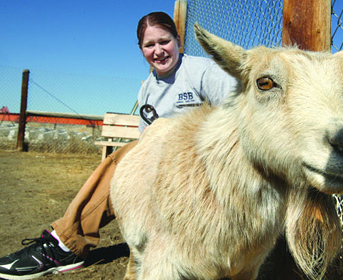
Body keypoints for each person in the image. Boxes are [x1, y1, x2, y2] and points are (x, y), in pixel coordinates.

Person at [0, 11, 236, 280]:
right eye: (150, 45)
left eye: (164, 41)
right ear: (141, 49)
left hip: (204, 172)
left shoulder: (204, 71)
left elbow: (237, 121)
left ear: (178, 40)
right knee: (131, 159)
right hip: (163, 175)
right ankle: (67, 239)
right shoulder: (147, 88)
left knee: (127, 156)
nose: (158, 51)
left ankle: (66, 241)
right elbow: (146, 140)